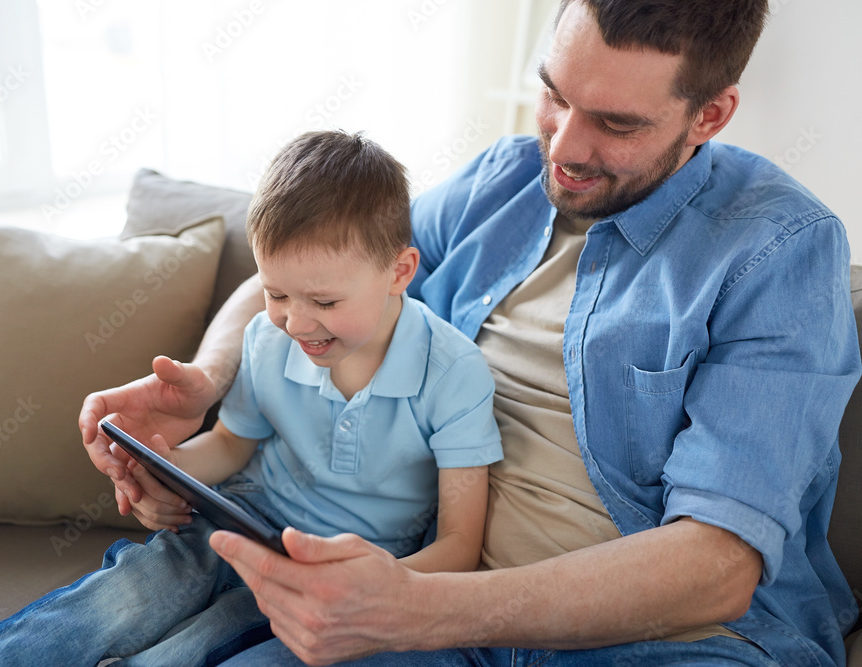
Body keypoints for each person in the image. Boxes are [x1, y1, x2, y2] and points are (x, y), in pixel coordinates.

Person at [81, 1, 861, 665]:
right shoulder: (505, 178)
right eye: (554, 95)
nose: (562, 147)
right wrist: (207, 380)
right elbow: (308, 273)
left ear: (711, 115)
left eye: (615, 123)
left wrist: (417, 608)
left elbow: (716, 566)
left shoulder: (779, 249)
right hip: (428, 600)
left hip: (674, 639)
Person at [0, 131, 503, 667]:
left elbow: (458, 546)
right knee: (114, 603)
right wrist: (160, 466)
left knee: (183, 653)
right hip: (237, 518)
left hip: (338, 570)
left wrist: (379, 584)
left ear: (398, 272)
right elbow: (232, 444)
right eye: (276, 292)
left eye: (324, 302)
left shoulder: (453, 373)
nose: (296, 322)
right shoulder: (266, 337)